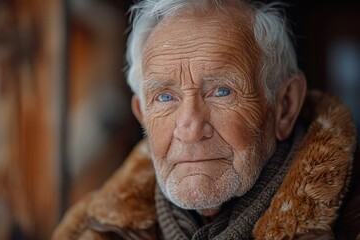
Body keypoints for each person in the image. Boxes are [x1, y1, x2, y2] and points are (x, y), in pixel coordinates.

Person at [53, 0, 360, 239]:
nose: (190, 128)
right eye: (164, 97)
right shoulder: (92, 231)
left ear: (285, 106)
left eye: (222, 91)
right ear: (142, 115)